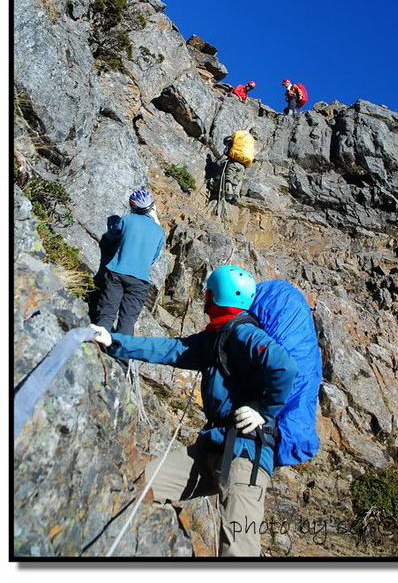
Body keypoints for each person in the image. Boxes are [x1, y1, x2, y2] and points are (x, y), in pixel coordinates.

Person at [90, 265, 298, 557]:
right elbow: (171, 349)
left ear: (214, 296)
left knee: (239, 552)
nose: (204, 297)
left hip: (244, 457)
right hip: (211, 448)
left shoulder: (244, 334)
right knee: (138, 487)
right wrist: (115, 341)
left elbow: (284, 366)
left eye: (207, 292)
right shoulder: (216, 338)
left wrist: (264, 409)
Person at [94, 189, 164, 336]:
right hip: (140, 280)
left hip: (117, 272)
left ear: (133, 206)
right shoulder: (159, 231)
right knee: (127, 321)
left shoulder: (126, 220)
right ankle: (122, 356)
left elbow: (111, 237)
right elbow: (154, 257)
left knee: (107, 312)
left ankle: (97, 344)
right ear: (152, 207)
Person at [221, 129, 257, 205]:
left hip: (235, 161)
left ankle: (228, 194)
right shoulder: (250, 141)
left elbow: (227, 146)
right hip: (244, 165)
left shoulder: (237, 136)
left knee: (229, 178)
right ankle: (235, 195)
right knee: (236, 180)